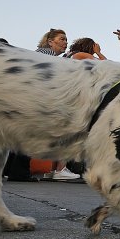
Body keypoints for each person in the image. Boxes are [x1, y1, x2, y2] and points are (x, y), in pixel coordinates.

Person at [34, 29, 80, 181]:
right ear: (50, 41)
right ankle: (59, 169)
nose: (65, 42)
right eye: (62, 39)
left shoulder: (49, 56)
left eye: (66, 40)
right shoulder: (46, 55)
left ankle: (53, 169)